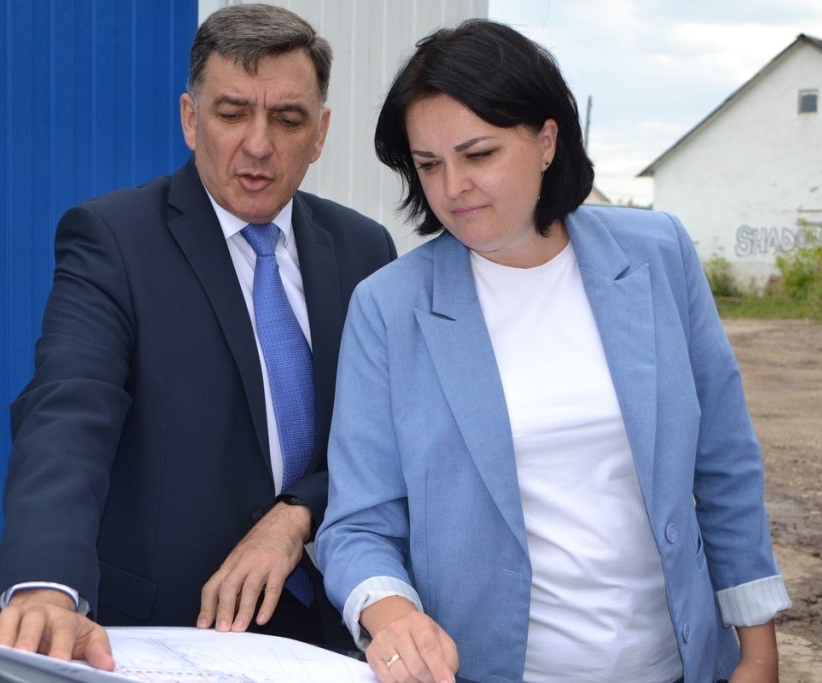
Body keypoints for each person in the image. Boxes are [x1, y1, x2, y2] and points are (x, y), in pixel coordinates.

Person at [316, 19, 790, 683]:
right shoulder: (389, 307)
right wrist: (392, 614)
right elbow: (357, 525)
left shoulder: (658, 255)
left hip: (679, 665)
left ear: (545, 140)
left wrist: (758, 651)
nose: (452, 187)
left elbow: (724, 462)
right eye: (429, 164)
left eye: (478, 154)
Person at [0, 3, 396, 670]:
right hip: (159, 634)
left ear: (320, 134)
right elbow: (67, 412)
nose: (259, 145)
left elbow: (384, 439)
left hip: (324, 637)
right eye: (232, 113)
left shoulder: (365, 250)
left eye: (288, 119)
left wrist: (298, 513)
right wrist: (46, 586)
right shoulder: (114, 239)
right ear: (190, 119)